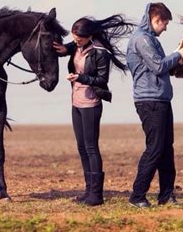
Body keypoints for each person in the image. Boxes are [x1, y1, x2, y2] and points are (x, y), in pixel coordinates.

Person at [53, 15, 134, 206]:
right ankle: (88, 191)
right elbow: (73, 48)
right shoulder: (77, 46)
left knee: (91, 148)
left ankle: (96, 195)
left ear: (89, 36)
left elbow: (101, 80)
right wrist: (65, 49)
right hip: (76, 103)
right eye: (73, 38)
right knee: (81, 148)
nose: (75, 42)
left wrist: (80, 78)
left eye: (78, 39)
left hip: (91, 103)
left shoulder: (100, 52)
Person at [126, 3, 183, 208]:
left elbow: (161, 66)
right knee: (154, 148)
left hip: (161, 99)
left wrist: (176, 63)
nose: (165, 28)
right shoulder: (142, 40)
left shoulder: (150, 39)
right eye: (164, 24)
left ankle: (166, 195)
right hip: (150, 101)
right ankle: (137, 196)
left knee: (166, 149)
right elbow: (158, 66)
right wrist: (178, 54)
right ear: (156, 20)